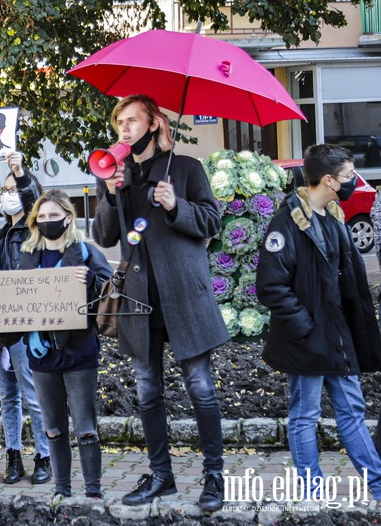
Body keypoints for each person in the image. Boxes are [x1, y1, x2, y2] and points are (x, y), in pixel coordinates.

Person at [92, 94, 228, 511]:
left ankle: (213, 476)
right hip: (139, 300)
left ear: (153, 124)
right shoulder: (115, 173)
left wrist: (176, 205)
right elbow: (103, 236)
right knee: (148, 393)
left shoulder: (185, 169)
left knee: (201, 389)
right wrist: (114, 194)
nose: (125, 129)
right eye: (120, 123)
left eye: (133, 121)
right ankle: (162, 476)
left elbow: (212, 222)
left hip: (183, 295)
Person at [257, 143, 381, 500]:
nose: (352, 182)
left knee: (353, 411)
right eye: (347, 176)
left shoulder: (334, 215)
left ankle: (376, 485)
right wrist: (306, 329)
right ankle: (312, 491)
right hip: (307, 339)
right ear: (328, 179)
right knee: (304, 415)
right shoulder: (286, 223)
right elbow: (271, 286)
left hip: (337, 338)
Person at [8, 189, 112, 498]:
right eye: (41, 216)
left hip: (79, 352)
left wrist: (90, 280)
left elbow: (109, 296)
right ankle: (61, 490)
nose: (47, 221)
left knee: (86, 429)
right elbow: (13, 304)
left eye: (54, 215)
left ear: (69, 217)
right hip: (41, 356)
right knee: (52, 429)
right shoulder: (27, 256)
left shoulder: (87, 252)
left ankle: (93, 491)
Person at [0, 152, 52, 485]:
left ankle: (44, 456)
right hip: (2, 331)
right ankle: (14, 456)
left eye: (13, 189)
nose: (7, 195)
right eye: (4, 190)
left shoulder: (32, 232)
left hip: (27, 329)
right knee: (7, 396)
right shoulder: (1, 236)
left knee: (33, 395)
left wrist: (19, 172)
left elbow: (33, 206)